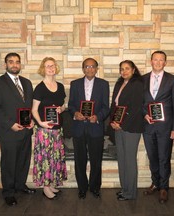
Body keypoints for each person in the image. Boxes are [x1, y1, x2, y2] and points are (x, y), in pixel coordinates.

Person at [0, 52, 36, 206]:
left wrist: (32, 120)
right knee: (9, 164)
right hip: (9, 131)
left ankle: (20, 185)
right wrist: (10, 124)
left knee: (23, 160)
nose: (14, 64)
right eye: (11, 62)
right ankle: (8, 192)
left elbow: (29, 107)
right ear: (5, 64)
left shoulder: (27, 83)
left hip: (26, 130)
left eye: (17, 62)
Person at [142, 50, 174, 204]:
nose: (158, 62)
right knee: (152, 158)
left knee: (164, 158)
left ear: (165, 62)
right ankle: (156, 182)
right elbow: (140, 102)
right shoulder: (143, 80)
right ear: (151, 61)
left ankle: (164, 187)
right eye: (155, 59)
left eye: (161, 60)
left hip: (166, 127)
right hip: (148, 126)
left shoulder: (172, 80)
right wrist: (144, 113)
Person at [68, 58, 110, 199]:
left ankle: (95, 187)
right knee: (79, 160)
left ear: (97, 69)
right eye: (87, 66)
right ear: (83, 69)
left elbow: (106, 107)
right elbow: (71, 104)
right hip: (79, 127)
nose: (90, 69)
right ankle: (82, 188)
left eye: (92, 66)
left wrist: (97, 117)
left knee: (96, 159)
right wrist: (75, 113)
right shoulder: (75, 84)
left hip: (95, 127)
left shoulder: (103, 84)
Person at [31, 57, 67, 200]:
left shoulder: (60, 86)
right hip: (44, 131)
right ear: (43, 69)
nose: (51, 68)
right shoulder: (40, 88)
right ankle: (45, 187)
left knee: (55, 158)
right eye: (47, 66)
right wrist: (40, 123)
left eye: (52, 65)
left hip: (57, 130)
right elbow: (34, 110)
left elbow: (63, 105)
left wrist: (61, 108)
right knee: (46, 158)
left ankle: (51, 183)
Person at [110, 60, 144, 201]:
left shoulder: (138, 84)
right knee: (122, 159)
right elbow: (114, 104)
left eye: (127, 69)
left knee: (129, 160)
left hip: (131, 127)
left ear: (133, 70)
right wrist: (113, 121)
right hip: (118, 126)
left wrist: (121, 124)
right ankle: (125, 189)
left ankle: (131, 193)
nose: (124, 71)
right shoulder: (119, 84)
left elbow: (136, 108)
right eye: (122, 69)